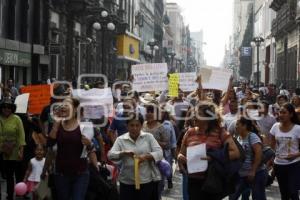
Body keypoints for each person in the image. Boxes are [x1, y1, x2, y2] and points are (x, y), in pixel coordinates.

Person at [177, 102, 240, 200]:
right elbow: (181, 153)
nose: (193, 116)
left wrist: (212, 157)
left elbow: (235, 153)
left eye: (198, 114)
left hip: (212, 180)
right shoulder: (189, 132)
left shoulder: (220, 132)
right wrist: (180, 158)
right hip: (193, 180)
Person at [47, 97, 98, 200]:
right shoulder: (57, 126)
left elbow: (91, 148)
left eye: (67, 105)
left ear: (75, 109)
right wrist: (56, 123)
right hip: (61, 173)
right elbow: (50, 144)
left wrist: (89, 144)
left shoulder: (84, 126)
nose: (63, 107)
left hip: (80, 173)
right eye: (62, 105)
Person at [108, 112, 163, 200]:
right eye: (132, 125)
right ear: (127, 126)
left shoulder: (148, 137)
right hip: (126, 182)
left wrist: (145, 157)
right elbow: (110, 155)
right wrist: (123, 153)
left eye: (137, 125)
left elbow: (159, 153)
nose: (134, 128)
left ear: (141, 126)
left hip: (145, 181)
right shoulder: (121, 139)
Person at [229, 117, 267, 200]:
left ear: (244, 126)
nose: (235, 127)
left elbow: (258, 154)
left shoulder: (252, 137)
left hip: (256, 174)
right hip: (241, 174)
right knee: (232, 196)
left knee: (258, 197)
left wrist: (253, 171)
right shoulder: (238, 137)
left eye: (237, 125)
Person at [270, 103, 300, 200]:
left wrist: (295, 154)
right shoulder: (275, 127)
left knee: (293, 192)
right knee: (284, 193)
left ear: (291, 114)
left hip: (294, 164)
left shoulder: (297, 129)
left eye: (284, 112)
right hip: (279, 164)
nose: (281, 115)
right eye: (280, 112)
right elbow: (272, 146)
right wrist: (271, 162)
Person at [0, 99, 26, 200]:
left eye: (9, 107)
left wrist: (21, 150)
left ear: (12, 109)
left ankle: (9, 196)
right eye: (4, 107)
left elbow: (21, 136)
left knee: (10, 176)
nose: (6, 109)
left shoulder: (17, 119)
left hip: (12, 152)